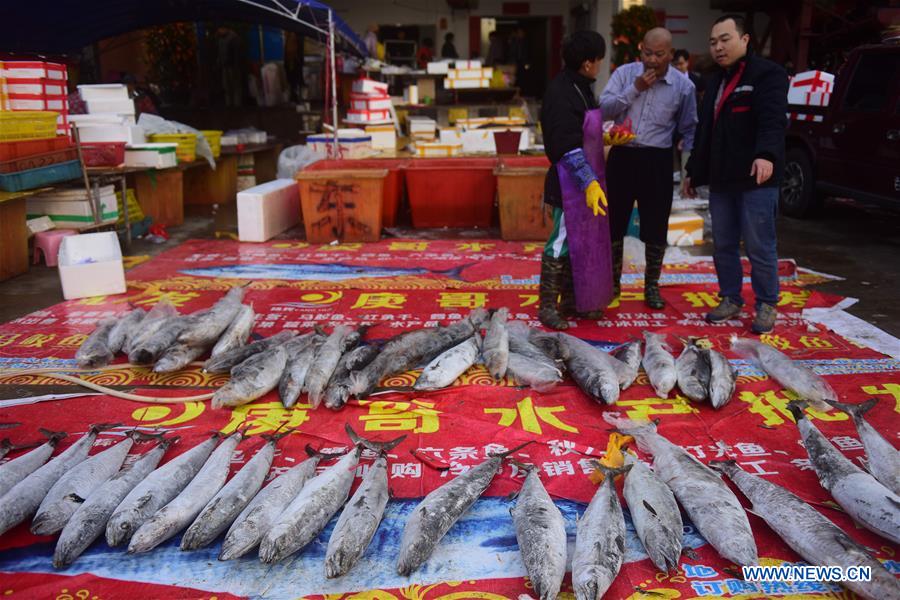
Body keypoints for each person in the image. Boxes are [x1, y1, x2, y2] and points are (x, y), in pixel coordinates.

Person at [683, 14, 788, 334]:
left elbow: (773, 120)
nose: (718, 47)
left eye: (725, 39)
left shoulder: (768, 74)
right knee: (724, 243)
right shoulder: (714, 80)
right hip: (722, 179)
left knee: (759, 244)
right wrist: (693, 172)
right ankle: (730, 297)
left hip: (757, 177)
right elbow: (706, 131)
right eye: (713, 42)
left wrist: (766, 155)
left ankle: (767, 303)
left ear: (745, 40)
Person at [599, 27, 697, 309]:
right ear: (640, 49)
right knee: (613, 224)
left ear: (670, 53)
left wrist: (688, 170)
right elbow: (603, 109)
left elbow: (689, 128)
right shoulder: (625, 74)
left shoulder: (683, 86)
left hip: (658, 160)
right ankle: (613, 284)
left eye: (659, 54)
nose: (652, 60)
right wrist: (635, 89)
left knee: (655, 226)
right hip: (622, 156)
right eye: (647, 53)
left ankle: (651, 286)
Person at [538, 30, 610, 330]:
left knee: (580, 244)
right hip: (569, 183)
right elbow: (565, 145)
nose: (601, 65)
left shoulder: (581, 87)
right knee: (561, 242)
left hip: (586, 180)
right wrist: (588, 182)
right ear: (587, 63)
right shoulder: (561, 92)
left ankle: (571, 300)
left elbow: (584, 131)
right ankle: (547, 306)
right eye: (599, 60)